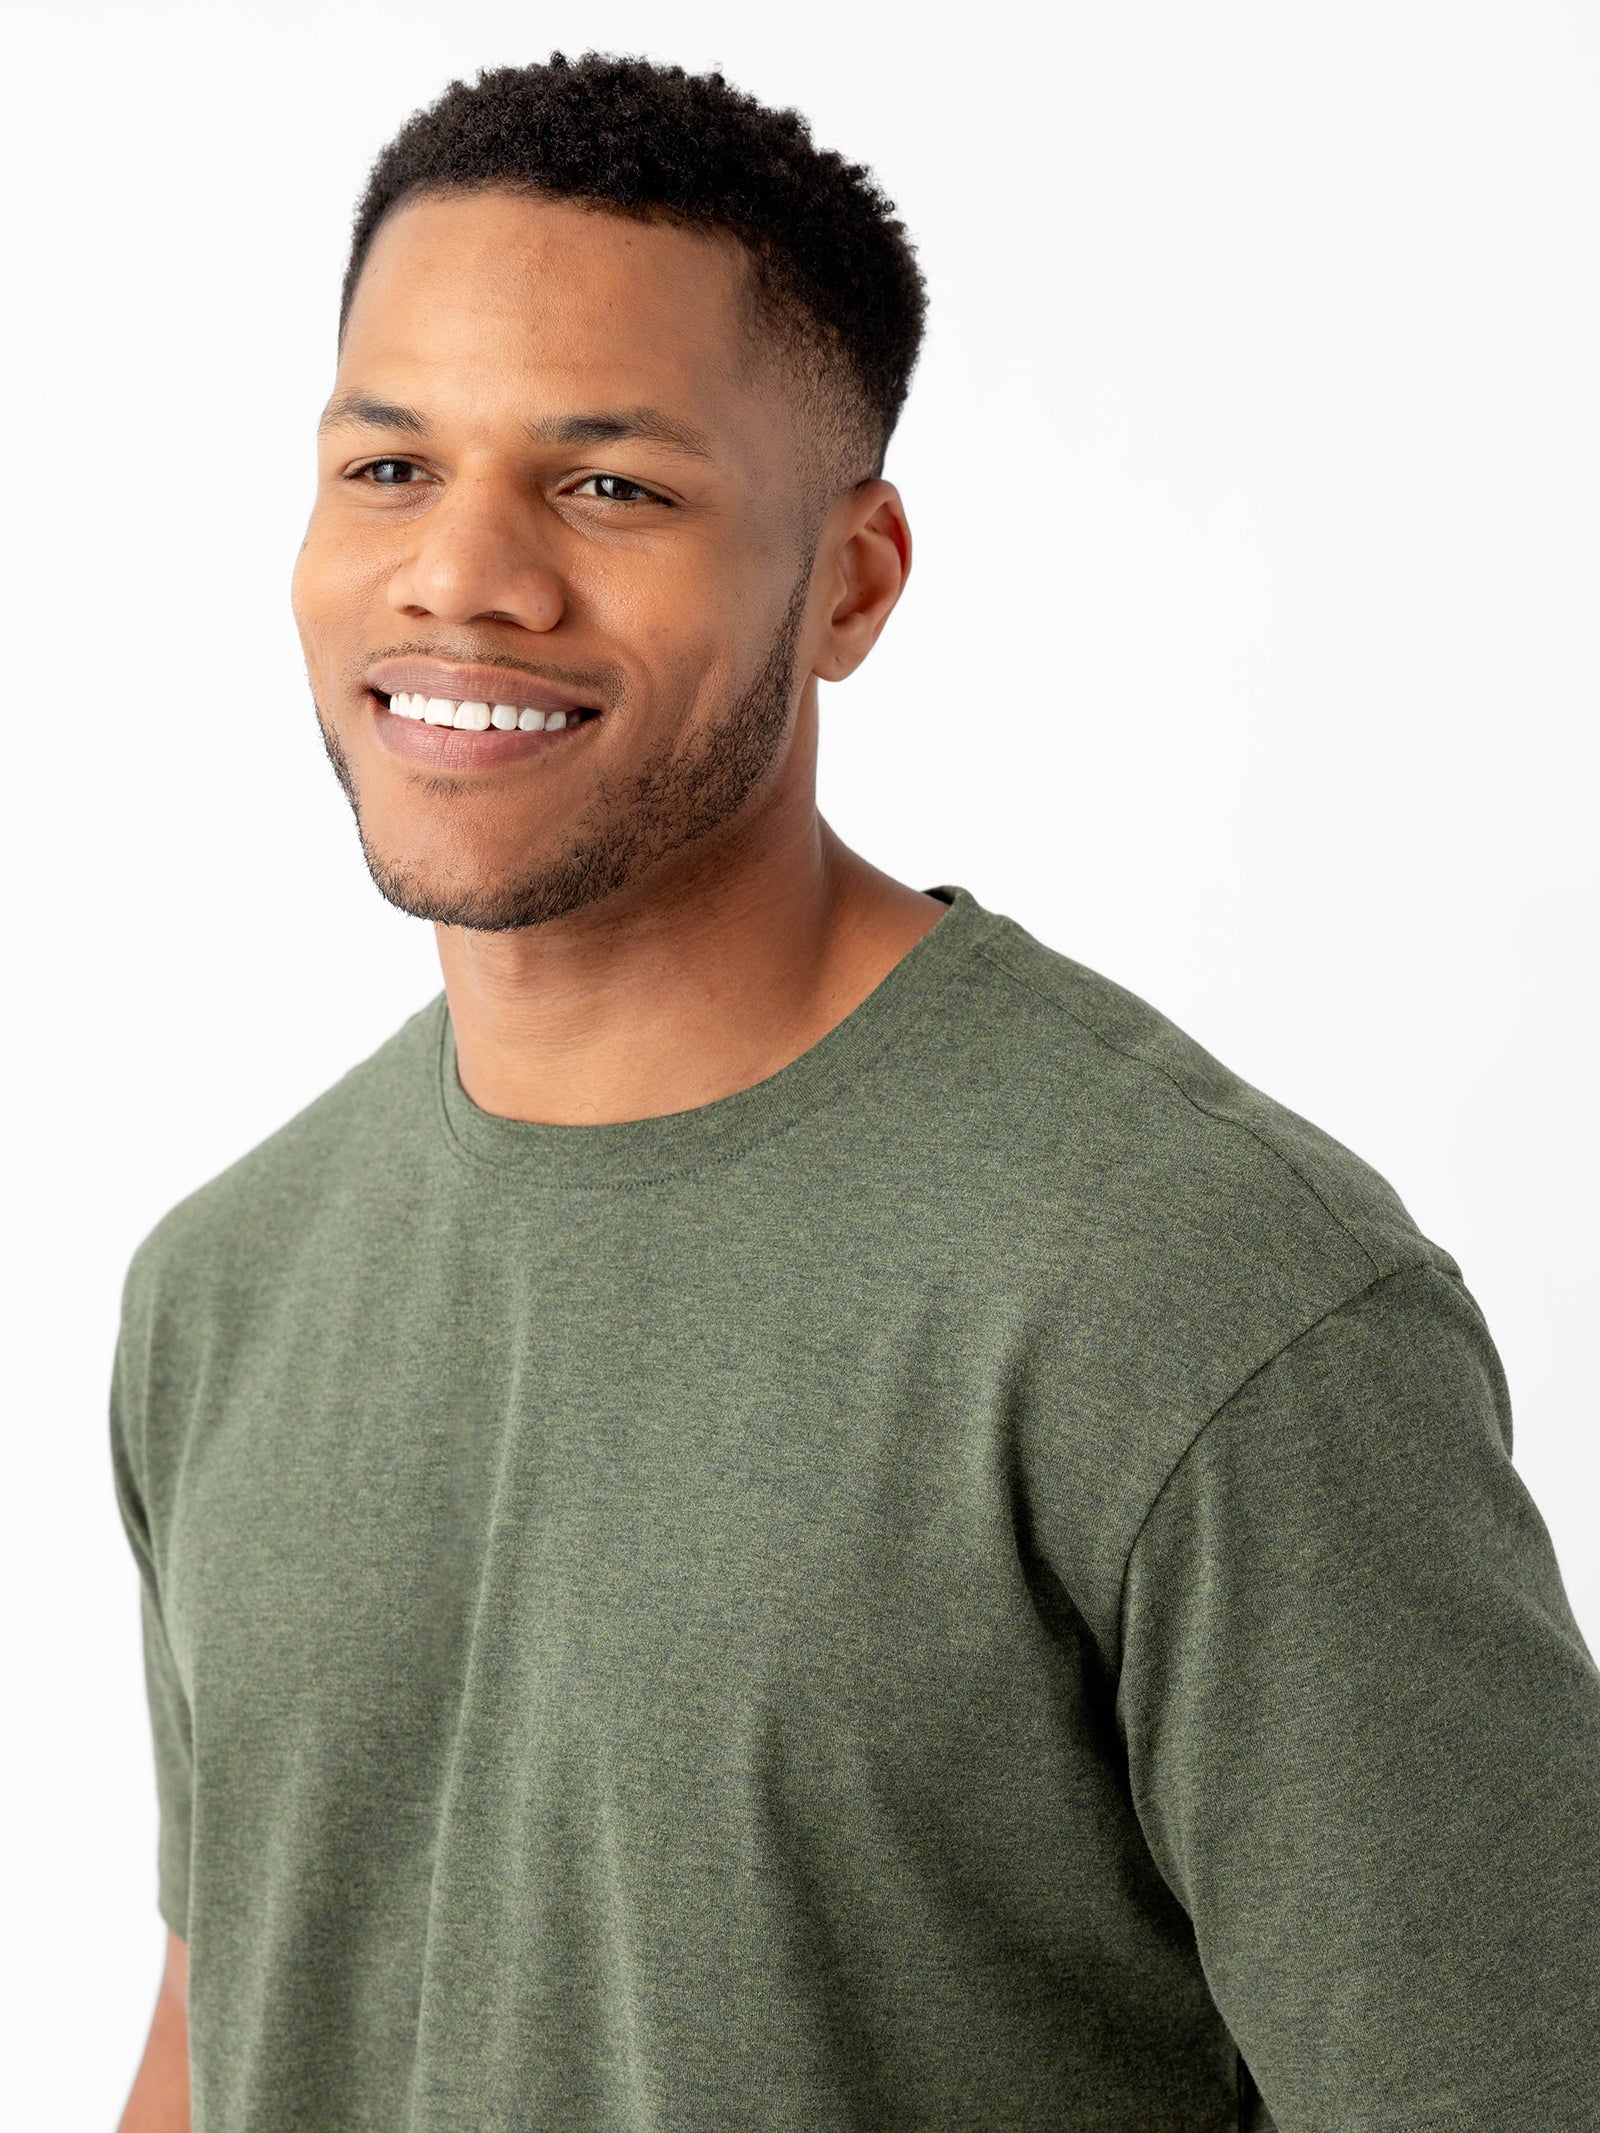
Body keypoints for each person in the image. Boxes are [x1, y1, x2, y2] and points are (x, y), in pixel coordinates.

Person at [111, 51, 1599, 2133]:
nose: (460, 573)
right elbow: (231, 2021)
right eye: (384, 467)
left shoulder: (1203, 1294)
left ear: (852, 581)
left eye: (608, 483)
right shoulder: (224, 1289)